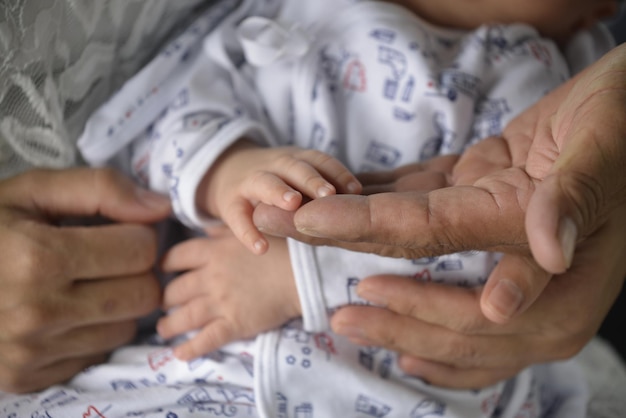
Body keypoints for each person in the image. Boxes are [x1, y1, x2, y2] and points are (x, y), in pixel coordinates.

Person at [0, 1, 623, 417]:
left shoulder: (531, 72)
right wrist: (228, 170)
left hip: (364, 385)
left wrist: (297, 274)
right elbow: (176, 110)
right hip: (178, 360)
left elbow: (496, 248)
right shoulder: (293, 12)